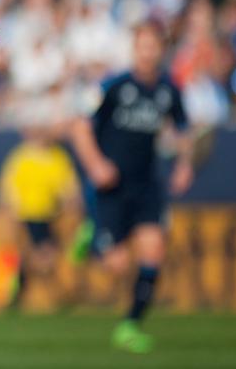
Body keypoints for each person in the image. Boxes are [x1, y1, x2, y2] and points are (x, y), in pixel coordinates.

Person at [69, 21, 197, 354]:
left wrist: (184, 165)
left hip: (146, 184)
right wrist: (96, 165)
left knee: (154, 251)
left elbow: (184, 131)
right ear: (135, 49)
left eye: (154, 45)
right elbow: (79, 128)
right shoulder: (113, 86)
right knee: (117, 264)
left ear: (161, 49)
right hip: (112, 186)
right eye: (143, 45)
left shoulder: (170, 89)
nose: (148, 52)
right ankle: (94, 233)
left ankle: (130, 325)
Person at [0, 124, 81, 310]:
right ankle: (57, 296)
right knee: (44, 257)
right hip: (26, 215)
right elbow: (7, 188)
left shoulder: (57, 157)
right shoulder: (21, 157)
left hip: (49, 215)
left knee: (40, 257)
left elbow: (68, 187)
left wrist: (72, 204)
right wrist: (9, 213)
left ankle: (20, 284)